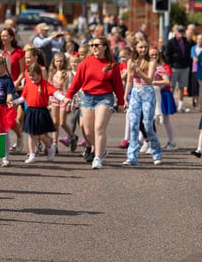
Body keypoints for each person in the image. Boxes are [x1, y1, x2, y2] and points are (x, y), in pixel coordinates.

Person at [65, 37, 125, 169]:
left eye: (97, 45)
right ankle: (98, 149)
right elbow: (76, 82)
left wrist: (121, 101)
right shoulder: (86, 63)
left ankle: (97, 158)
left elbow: (118, 85)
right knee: (87, 131)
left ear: (104, 47)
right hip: (87, 98)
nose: (94, 47)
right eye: (92, 45)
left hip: (105, 98)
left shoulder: (112, 64)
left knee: (99, 127)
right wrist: (68, 96)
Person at [14, 63, 65, 164]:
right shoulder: (28, 85)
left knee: (41, 135)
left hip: (42, 112)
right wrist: (14, 102)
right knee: (32, 135)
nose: (31, 77)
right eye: (30, 75)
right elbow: (23, 98)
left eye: (33, 75)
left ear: (39, 74)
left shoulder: (45, 84)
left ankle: (50, 147)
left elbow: (55, 93)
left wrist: (64, 99)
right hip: (31, 112)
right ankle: (32, 154)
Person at [123, 38, 163, 166]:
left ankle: (156, 153)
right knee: (134, 124)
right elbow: (129, 80)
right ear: (135, 48)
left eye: (145, 47)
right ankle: (131, 157)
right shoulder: (131, 62)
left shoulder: (151, 62)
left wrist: (138, 70)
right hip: (135, 92)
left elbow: (150, 80)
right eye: (140, 47)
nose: (143, 50)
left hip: (147, 93)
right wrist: (125, 96)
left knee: (147, 125)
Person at [48, 52, 77, 152]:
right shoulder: (53, 72)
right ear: (54, 62)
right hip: (54, 98)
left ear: (64, 62)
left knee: (62, 122)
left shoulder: (67, 73)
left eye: (61, 61)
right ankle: (54, 144)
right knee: (54, 122)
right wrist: (49, 101)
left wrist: (70, 102)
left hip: (64, 99)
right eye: (57, 61)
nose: (59, 63)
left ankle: (72, 136)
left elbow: (70, 88)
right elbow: (50, 87)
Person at [151, 47, 177, 150]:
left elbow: (167, 82)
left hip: (164, 95)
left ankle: (172, 142)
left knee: (166, 120)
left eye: (155, 55)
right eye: (152, 55)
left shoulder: (165, 67)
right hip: (153, 94)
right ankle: (144, 140)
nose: (153, 57)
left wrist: (155, 85)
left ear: (159, 56)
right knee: (149, 119)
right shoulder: (147, 66)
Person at [164, 25, 193, 112]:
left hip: (184, 67)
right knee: (172, 86)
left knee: (182, 86)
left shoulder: (186, 42)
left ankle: (180, 105)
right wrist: (170, 65)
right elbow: (167, 55)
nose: (180, 33)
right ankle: (172, 104)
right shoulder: (171, 42)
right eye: (179, 31)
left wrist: (188, 64)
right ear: (175, 32)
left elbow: (189, 53)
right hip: (174, 68)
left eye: (182, 31)